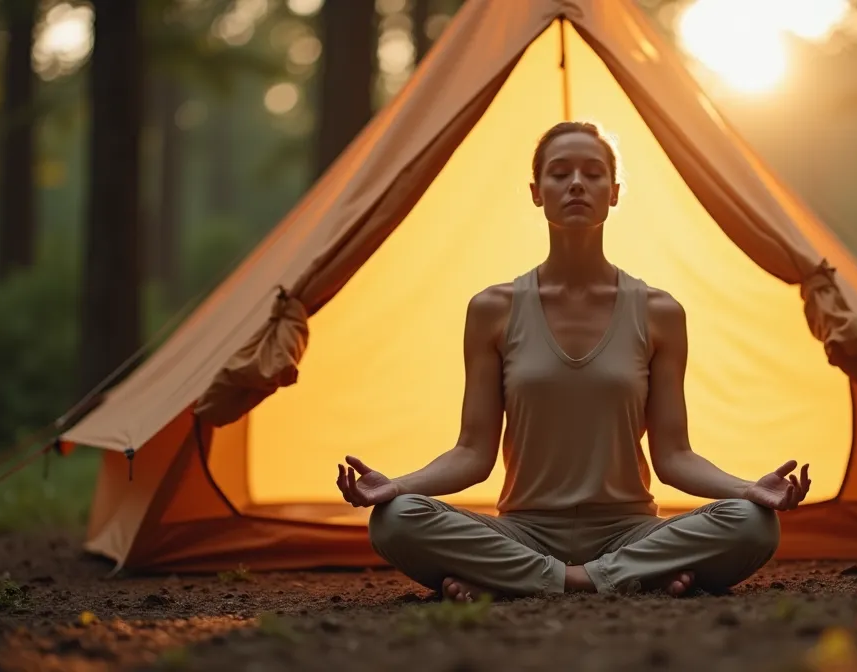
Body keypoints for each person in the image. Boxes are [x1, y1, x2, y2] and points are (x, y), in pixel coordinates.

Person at [335, 121, 812, 602]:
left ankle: (529, 580)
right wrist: (395, 486)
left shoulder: (660, 313)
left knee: (753, 524)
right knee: (395, 519)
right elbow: (472, 454)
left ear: (614, 192)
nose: (577, 184)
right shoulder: (492, 310)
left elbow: (675, 458)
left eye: (594, 173)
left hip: (629, 533)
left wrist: (748, 490)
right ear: (537, 192)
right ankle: (623, 578)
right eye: (560, 173)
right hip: (523, 533)